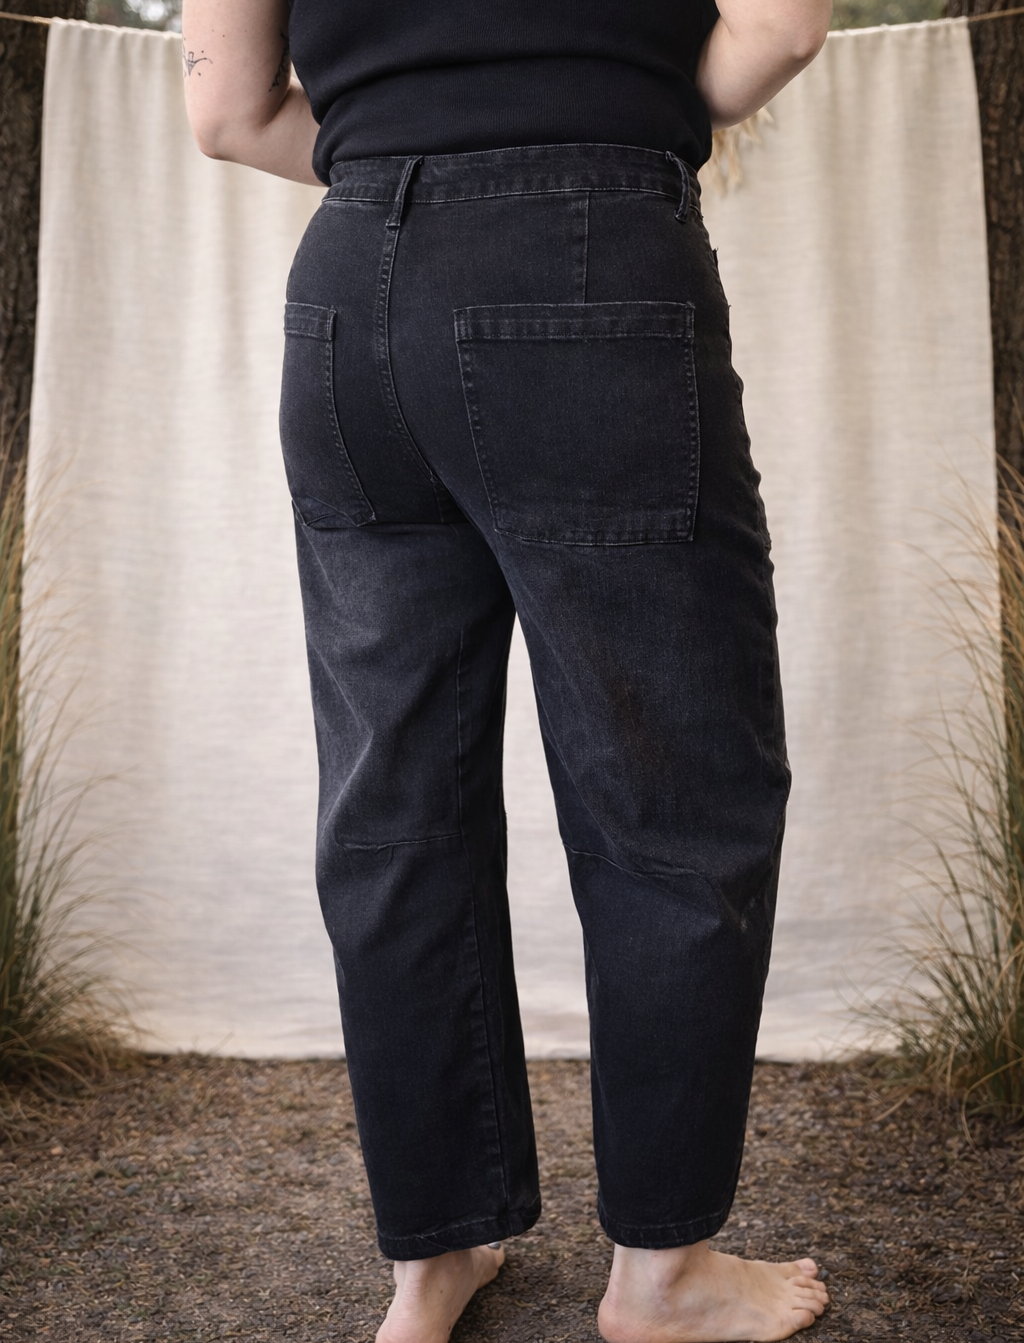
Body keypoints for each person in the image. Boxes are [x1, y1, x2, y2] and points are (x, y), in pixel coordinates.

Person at [182, 3, 833, 1340]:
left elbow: (228, 111)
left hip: (351, 288)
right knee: (672, 793)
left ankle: (436, 1255)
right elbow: (777, 31)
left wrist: (412, 154)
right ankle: (664, 1273)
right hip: (588, 262)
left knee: (393, 806)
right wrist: (608, 108)